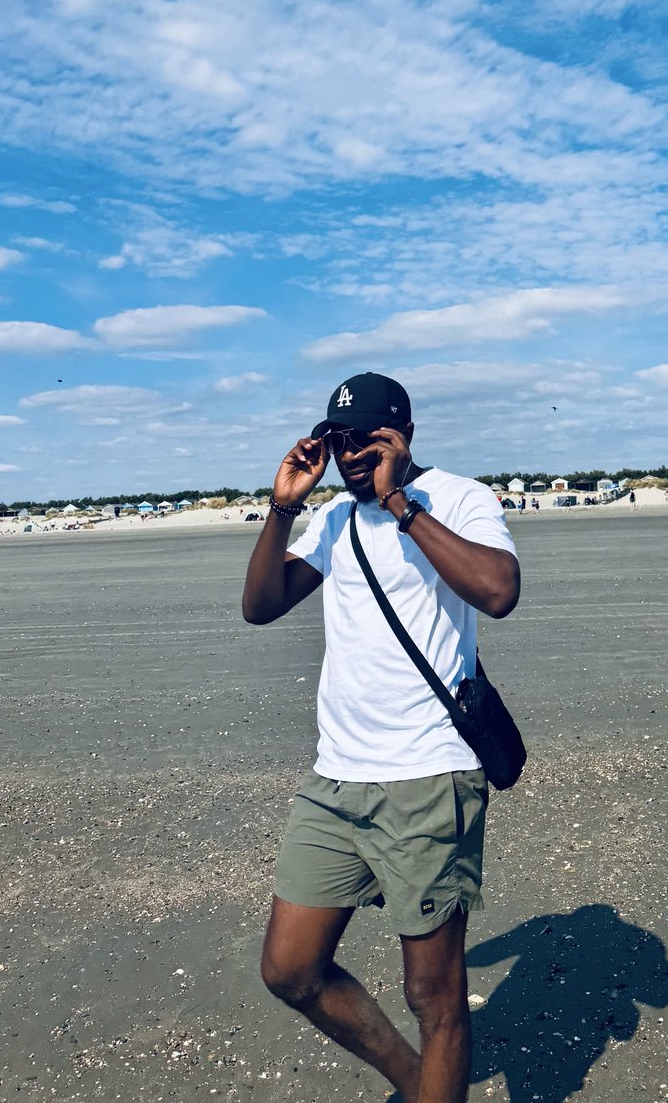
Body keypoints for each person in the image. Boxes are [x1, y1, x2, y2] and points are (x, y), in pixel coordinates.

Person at [242, 372, 520, 1103]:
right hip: (335, 780)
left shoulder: (459, 498)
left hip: (430, 776)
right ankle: (414, 1082)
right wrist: (282, 507)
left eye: (366, 440)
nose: (351, 456)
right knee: (290, 970)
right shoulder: (332, 520)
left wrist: (401, 503)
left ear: (404, 437)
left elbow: (498, 591)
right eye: (338, 442)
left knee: (433, 996)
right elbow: (261, 606)